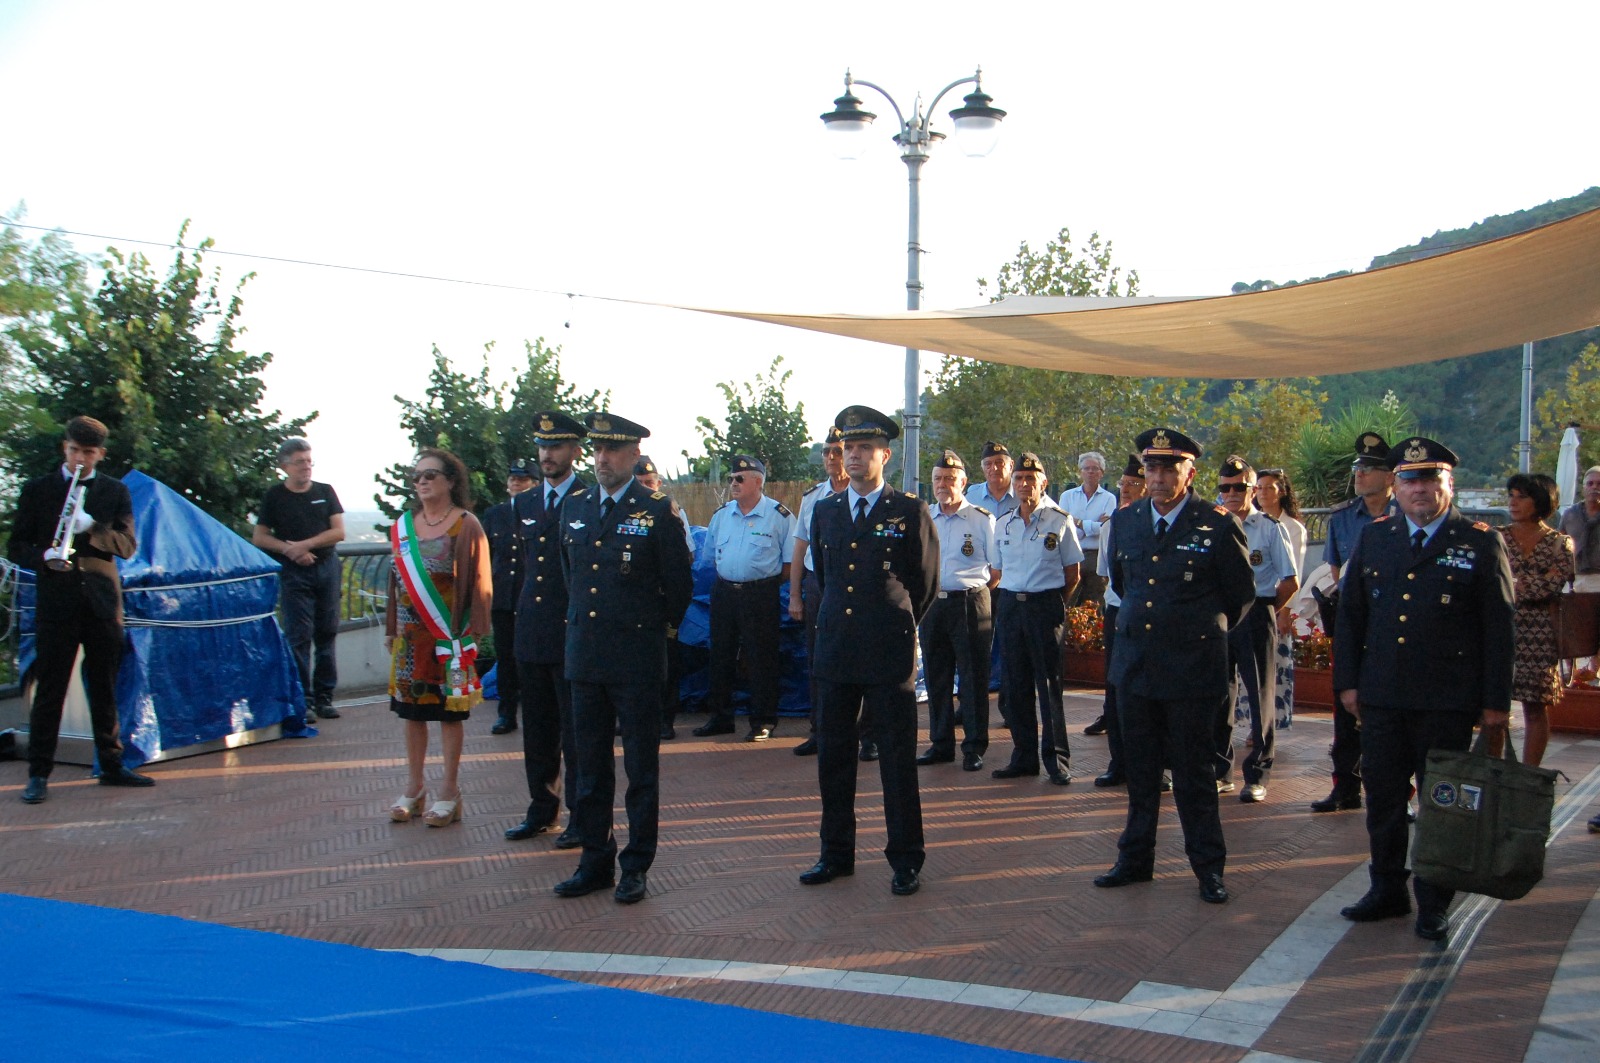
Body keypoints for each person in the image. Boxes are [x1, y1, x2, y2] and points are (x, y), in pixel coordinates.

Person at [1334, 436, 1514, 941]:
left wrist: (1495, 702)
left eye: (1430, 478)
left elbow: (1499, 627)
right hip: (1384, 696)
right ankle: (1387, 889)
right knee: (1384, 800)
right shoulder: (1376, 536)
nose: (1419, 488)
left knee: (1443, 803)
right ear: (1396, 484)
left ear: (1448, 484)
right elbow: (1351, 617)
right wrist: (1347, 681)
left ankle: (1434, 901)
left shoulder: (1479, 540)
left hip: (1447, 699)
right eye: (1409, 479)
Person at [1095, 427, 1253, 905]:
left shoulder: (1217, 524)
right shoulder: (1126, 521)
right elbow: (1123, 583)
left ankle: (1208, 868)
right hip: (1136, 669)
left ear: (1191, 472)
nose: (1159, 478)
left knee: (1193, 776)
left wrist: (1192, 629)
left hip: (1190, 670)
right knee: (1140, 774)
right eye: (1152, 468)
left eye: (1169, 468)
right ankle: (1134, 859)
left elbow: (1239, 596)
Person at [553, 412, 694, 905]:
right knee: (588, 769)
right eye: (597, 450)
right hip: (586, 657)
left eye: (612, 450)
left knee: (640, 770)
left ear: (634, 455)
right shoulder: (574, 507)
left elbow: (679, 586)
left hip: (635, 657)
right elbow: (571, 578)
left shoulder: (656, 509)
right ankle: (594, 861)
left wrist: (653, 629)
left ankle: (635, 865)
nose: (602, 459)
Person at [799, 405, 937, 897]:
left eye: (862, 448)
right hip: (835, 650)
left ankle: (905, 859)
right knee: (833, 760)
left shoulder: (909, 510)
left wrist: (892, 627)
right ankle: (835, 855)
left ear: (885, 454)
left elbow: (923, 584)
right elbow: (828, 579)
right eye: (846, 448)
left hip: (886, 652)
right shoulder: (826, 510)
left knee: (897, 762)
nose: (852, 456)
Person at [10, 415, 149, 803]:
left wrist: (92, 527)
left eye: (88, 453)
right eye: (74, 450)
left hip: (103, 603)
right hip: (57, 602)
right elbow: (16, 546)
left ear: (100, 454)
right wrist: (44, 555)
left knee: (104, 686)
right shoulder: (38, 490)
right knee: (50, 688)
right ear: (64, 448)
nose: (80, 460)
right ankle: (38, 774)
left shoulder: (114, 491)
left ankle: (111, 764)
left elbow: (126, 546)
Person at [386, 449, 492, 826]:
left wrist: (474, 634)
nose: (422, 482)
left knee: (450, 714)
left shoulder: (466, 524)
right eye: (416, 477)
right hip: (411, 640)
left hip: (450, 638)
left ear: (450, 480)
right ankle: (414, 788)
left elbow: (481, 584)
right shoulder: (403, 526)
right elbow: (395, 582)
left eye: (430, 475)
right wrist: (391, 627)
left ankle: (449, 791)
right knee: (412, 714)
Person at [504, 412, 590, 845]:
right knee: (537, 730)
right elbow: (519, 573)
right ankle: (541, 808)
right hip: (532, 631)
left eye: (555, 446)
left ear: (576, 450)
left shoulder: (588, 499)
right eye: (542, 446)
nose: (546, 454)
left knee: (575, 733)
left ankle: (580, 815)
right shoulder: (523, 503)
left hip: (570, 632)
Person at [1312, 432, 1399, 814]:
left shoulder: (1406, 514)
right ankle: (1345, 786)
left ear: (1391, 476)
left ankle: (1402, 794)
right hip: (1353, 621)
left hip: (1395, 624)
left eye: (1370, 468)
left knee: (1396, 712)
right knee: (1344, 707)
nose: (1360, 474)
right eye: (1357, 467)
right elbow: (1335, 569)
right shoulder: (1343, 518)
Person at [991, 452, 1082, 784]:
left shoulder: (1059, 520)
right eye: (1019, 479)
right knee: (1015, 686)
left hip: (1045, 606)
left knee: (1048, 686)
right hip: (1012, 605)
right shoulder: (1003, 523)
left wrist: (1054, 604)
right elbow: (997, 571)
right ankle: (1023, 757)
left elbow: (1073, 574)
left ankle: (1057, 760)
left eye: (1031, 479)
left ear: (1043, 482)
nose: (1024, 484)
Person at [693, 455, 795, 742]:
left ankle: (763, 720)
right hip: (725, 591)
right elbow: (711, 556)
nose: (733, 484)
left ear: (758, 482)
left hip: (760, 594)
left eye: (739, 478)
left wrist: (760, 585)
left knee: (761, 658)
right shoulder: (721, 515)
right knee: (720, 656)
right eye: (731, 479)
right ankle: (720, 717)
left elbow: (790, 564)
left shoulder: (780, 516)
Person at [1216, 456, 1298, 803]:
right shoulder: (1212, 524)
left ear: (1252, 489)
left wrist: (1263, 610)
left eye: (1239, 487)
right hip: (1220, 617)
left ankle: (1258, 773)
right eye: (1225, 488)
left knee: (1261, 692)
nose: (1232, 494)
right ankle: (1220, 771)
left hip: (1256, 613)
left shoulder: (1269, 528)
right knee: (1220, 695)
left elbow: (1290, 580)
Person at [253, 437, 346, 722]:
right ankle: (301, 699)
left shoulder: (325, 491)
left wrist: (305, 544)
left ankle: (324, 698)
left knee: (327, 633)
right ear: (285, 466)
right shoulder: (275, 496)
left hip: (327, 567)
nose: (306, 467)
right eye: (299, 462)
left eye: (309, 461)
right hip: (294, 573)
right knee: (299, 636)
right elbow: (259, 536)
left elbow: (338, 532)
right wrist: (290, 551)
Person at [916, 449, 998, 772]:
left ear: (963, 482)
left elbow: (997, 570)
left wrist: (973, 595)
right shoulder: (925, 516)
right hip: (933, 605)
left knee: (973, 678)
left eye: (950, 479)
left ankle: (974, 746)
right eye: (938, 479)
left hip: (970, 602)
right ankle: (941, 743)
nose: (943, 484)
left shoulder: (981, 519)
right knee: (937, 677)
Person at [1484, 473, 1572, 768]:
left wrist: (1513, 582)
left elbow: (1553, 583)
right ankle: (1493, 769)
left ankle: (1528, 773)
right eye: (1511, 495)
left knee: (1536, 708)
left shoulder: (1559, 542)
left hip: (1540, 634)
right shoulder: (1494, 536)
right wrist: (1526, 582)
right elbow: (1486, 581)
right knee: (1494, 707)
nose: (1513, 502)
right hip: (1498, 629)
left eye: (1522, 496)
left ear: (1540, 501)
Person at [790, 428, 849, 757]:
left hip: (850, 584)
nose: (830, 457)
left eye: (837, 452)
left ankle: (864, 733)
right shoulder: (812, 498)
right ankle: (819, 730)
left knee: (857, 655)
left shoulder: (860, 494)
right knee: (817, 658)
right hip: (817, 584)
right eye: (827, 451)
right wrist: (795, 594)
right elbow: (800, 547)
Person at [1092, 454, 1146, 788]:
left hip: (1149, 615)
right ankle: (1119, 762)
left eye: (1133, 485)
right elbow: (1103, 574)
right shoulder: (1111, 524)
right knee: (1115, 687)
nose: (1125, 490)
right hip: (1117, 612)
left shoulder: (1154, 525)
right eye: (1123, 485)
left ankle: (1158, 765)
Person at [634, 455, 694, 741]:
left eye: (650, 482)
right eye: (640, 483)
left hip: (660, 602)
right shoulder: (621, 510)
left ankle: (665, 720)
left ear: (658, 482)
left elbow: (687, 557)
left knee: (665, 665)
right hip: (631, 604)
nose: (646, 487)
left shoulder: (668, 510)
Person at [480, 457, 536, 735]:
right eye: (513, 478)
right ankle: (506, 714)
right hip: (503, 598)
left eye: (523, 479)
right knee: (505, 658)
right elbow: (484, 558)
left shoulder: (540, 512)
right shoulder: (494, 515)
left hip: (531, 599)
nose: (516, 483)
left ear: (534, 484)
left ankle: (536, 714)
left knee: (530, 658)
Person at [1254, 468, 1306, 731]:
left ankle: (1270, 722)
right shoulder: (1251, 522)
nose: (1263, 493)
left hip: (1278, 604)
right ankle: (1253, 721)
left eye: (1269, 488)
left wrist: (1284, 610)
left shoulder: (1291, 527)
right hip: (1255, 603)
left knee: (1275, 667)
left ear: (1281, 492)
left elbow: (1293, 572)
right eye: (1259, 487)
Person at [1059, 451, 1116, 609]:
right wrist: (1090, 525)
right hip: (1071, 555)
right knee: (1068, 603)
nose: (1091, 471)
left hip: (1095, 558)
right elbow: (1063, 527)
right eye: (1087, 468)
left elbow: (1106, 529)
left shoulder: (1109, 499)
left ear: (1102, 473)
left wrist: (1077, 522)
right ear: (1080, 472)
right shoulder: (1067, 496)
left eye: (1095, 468)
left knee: (1094, 604)